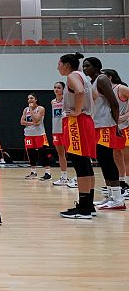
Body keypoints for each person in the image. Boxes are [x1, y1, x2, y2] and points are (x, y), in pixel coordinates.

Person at [58, 53, 98, 219]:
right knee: (85, 164)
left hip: (78, 122)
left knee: (80, 164)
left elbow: (80, 92)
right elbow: (94, 96)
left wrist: (77, 111)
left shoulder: (72, 76)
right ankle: (88, 205)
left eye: (59, 64)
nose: (58, 67)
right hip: (87, 121)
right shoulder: (84, 76)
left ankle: (84, 209)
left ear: (67, 65)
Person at [83, 57, 124, 210]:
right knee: (103, 160)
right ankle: (110, 196)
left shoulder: (102, 79)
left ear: (96, 67)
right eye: (83, 66)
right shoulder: (92, 82)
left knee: (107, 160)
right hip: (97, 125)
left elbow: (114, 103)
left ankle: (118, 199)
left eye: (87, 66)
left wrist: (116, 123)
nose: (85, 68)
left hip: (106, 125)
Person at [102, 69, 129, 198]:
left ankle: (127, 184)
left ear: (110, 77)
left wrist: (126, 115)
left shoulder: (121, 88)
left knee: (127, 157)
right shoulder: (104, 90)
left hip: (125, 126)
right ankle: (121, 182)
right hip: (113, 126)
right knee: (116, 156)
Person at [21, 93, 52, 180]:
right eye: (28, 98)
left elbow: (36, 119)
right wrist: (33, 123)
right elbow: (22, 122)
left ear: (36, 99)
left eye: (31, 98)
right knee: (31, 153)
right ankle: (33, 172)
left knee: (42, 153)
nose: (30, 100)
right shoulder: (25, 109)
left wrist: (31, 110)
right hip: (28, 135)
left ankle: (48, 173)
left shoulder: (40, 108)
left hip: (39, 134)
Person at [50, 82, 75, 188]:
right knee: (60, 153)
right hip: (56, 130)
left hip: (66, 129)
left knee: (72, 153)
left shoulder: (67, 100)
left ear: (63, 89)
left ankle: (77, 176)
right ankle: (64, 177)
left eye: (59, 88)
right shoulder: (53, 102)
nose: (56, 89)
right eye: (55, 87)